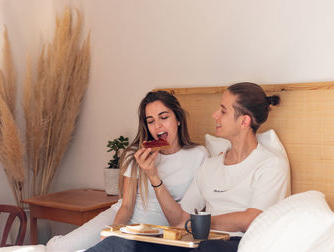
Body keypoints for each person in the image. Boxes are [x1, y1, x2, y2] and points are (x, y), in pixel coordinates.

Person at [87, 82, 290, 252]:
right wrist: (153, 176)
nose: (215, 115)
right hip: (195, 240)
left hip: (231, 243)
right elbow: (180, 218)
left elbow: (250, 219)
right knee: (118, 244)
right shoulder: (210, 165)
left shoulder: (271, 164)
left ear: (244, 121)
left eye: (223, 110)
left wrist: (200, 224)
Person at [46, 90, 208, 252]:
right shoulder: (137, 153)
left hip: (157, 229)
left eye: (164, 117)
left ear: (178, 119)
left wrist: (152, 175)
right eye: (150, 121)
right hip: (123, 217)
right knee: (57, 248)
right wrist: (114, 231)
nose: (157, 125)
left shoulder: (198, 155)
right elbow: (127, 205)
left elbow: (178, 220)